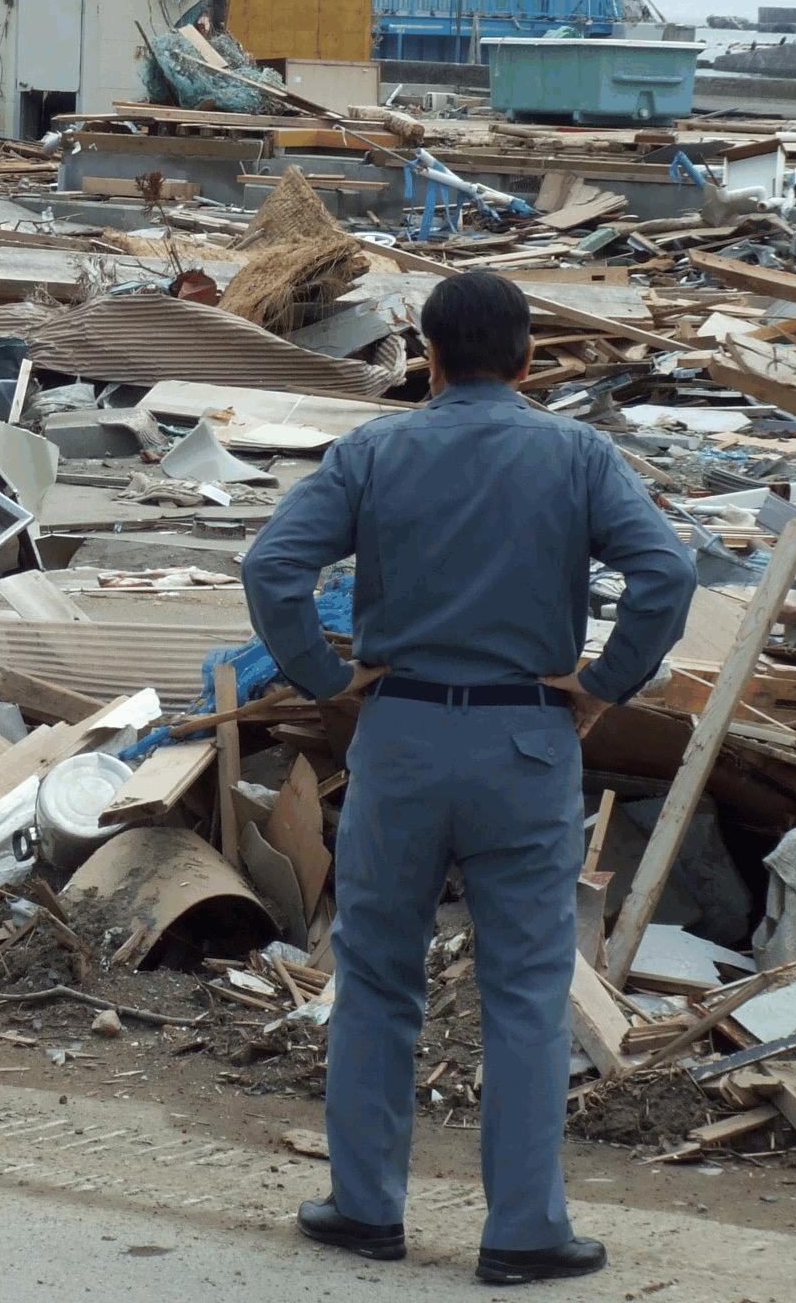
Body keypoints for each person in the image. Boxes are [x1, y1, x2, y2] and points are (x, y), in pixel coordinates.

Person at [243, 270, 695, 1287]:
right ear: (528, 358)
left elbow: (270, 567)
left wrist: (323, 674)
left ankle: (364, 1210)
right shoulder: (577, 454)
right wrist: (601, 685)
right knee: (528, 992)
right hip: (525, 745)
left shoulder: (371, 450)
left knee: (375, 978)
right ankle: (523, 1232)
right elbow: (665, 572)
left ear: (427, 357)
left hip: (399, 737)